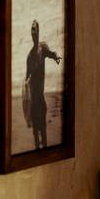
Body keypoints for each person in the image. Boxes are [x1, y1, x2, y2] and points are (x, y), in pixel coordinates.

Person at [24, 19, 62, 149]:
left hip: (41, 100)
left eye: (35, 30)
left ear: (38, 32)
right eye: (32, 31)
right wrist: (27, 80)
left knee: (43, 131)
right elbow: (27, 77)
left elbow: (51, 54)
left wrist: (56, 56)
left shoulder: (43, 47)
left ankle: (44, 150)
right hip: (33, 101)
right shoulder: (29, 57)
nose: (33, 33)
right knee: (36, 133)